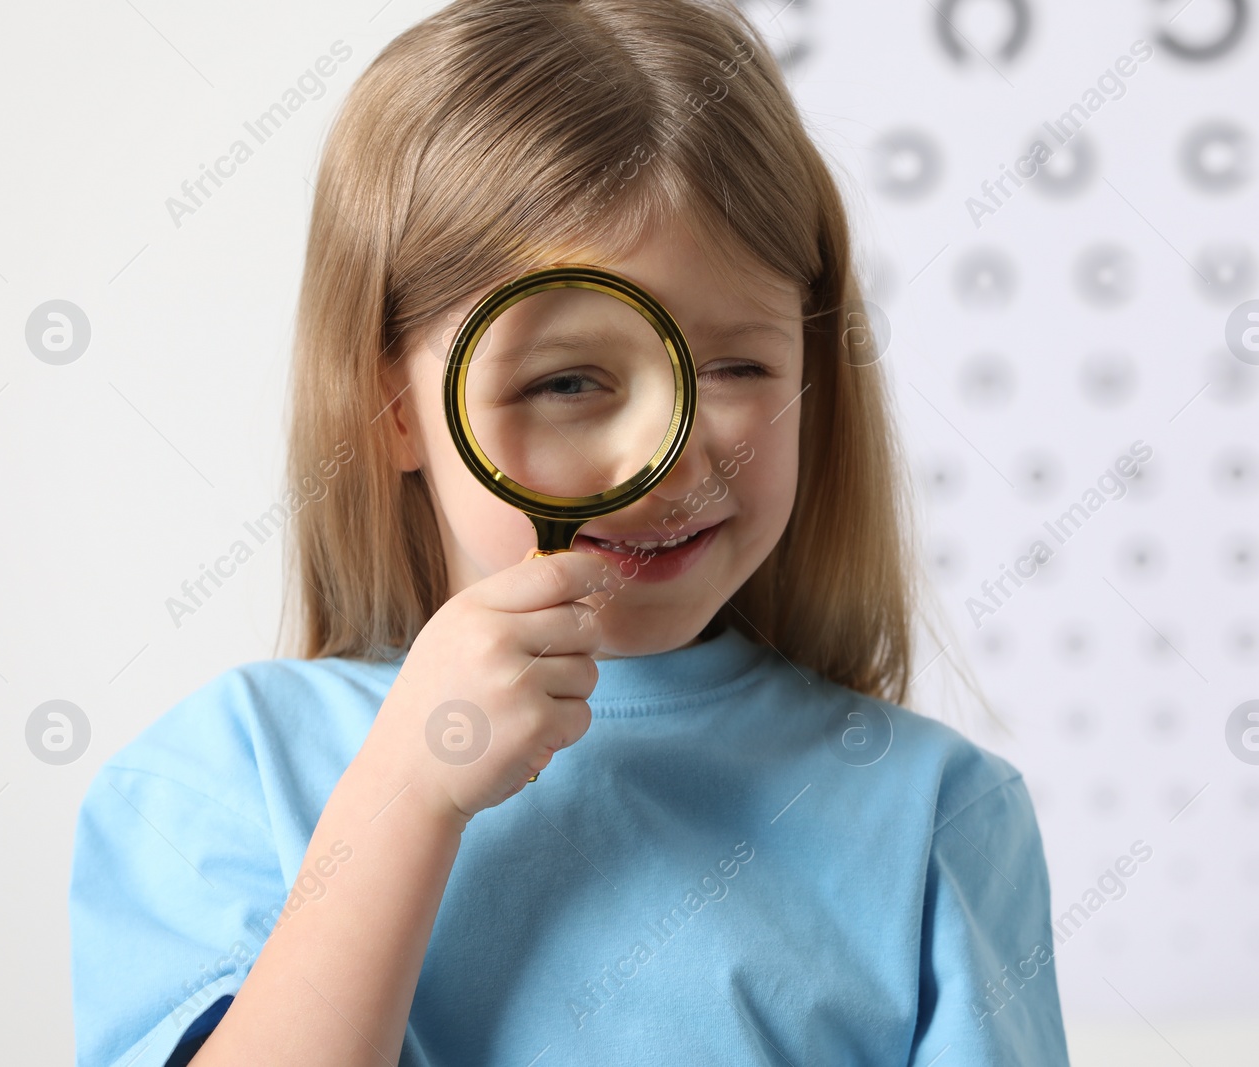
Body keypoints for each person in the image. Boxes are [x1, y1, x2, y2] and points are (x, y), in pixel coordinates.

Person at [68, 1, 1070, 1063]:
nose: (670, 450)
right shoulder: (220, 777)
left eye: (735, 366)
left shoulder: (937, 814)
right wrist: (409, 790)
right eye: (567, 378)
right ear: (397, 404)